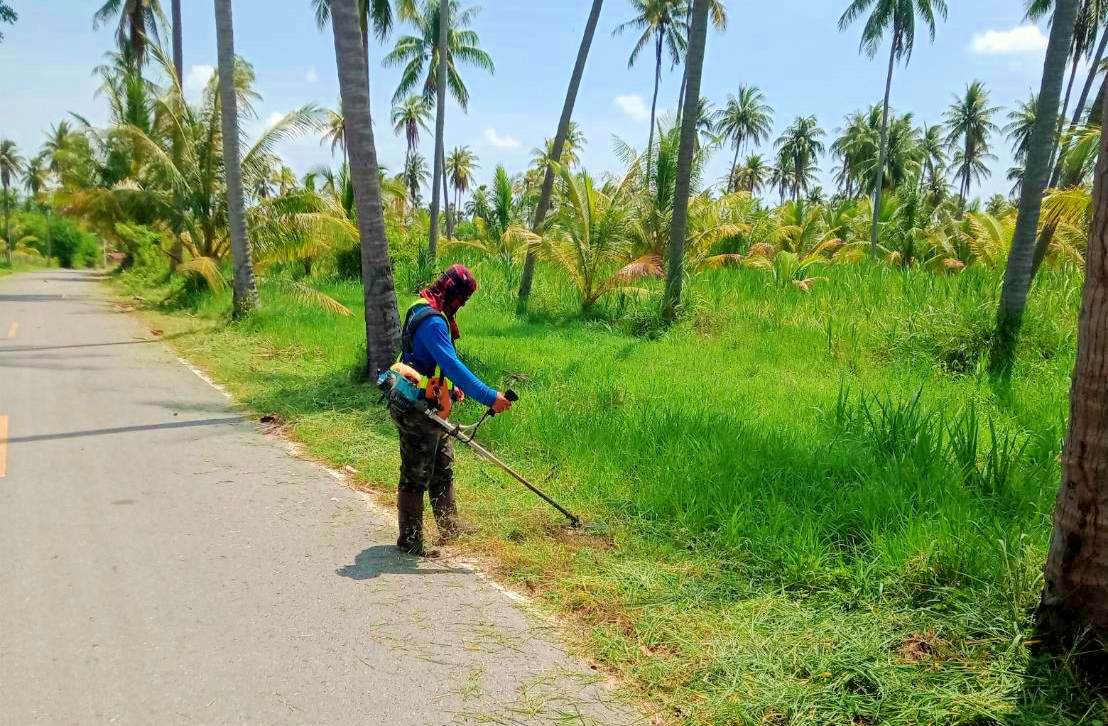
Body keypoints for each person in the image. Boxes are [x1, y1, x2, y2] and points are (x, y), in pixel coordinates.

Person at [388, 264, 512, 556]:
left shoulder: (423, 305)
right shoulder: (433, 322)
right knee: (416, 473)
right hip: (417, 409)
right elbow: (454, 365)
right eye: (463, 298)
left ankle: (449, 525)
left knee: (442, 466)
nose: (462, 304)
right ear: (453, 292)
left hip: (428, 402)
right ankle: (410, 538)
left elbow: (421, 358)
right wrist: (489, 396)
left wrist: (447, 388)